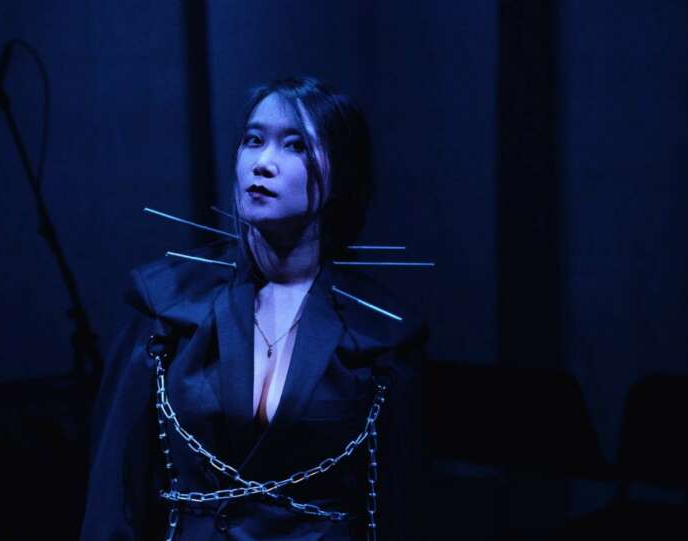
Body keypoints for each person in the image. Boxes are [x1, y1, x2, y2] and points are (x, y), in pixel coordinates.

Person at [80, 77, 429, 540]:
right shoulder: (168, 304)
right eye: (253, 140)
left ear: (341, 172)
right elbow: (114, 492)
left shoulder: (379, 334)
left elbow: (400, 504)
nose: (262, 163)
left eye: (295, 145)